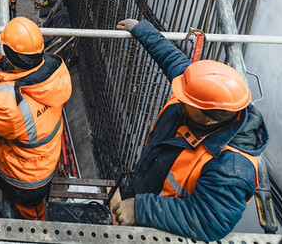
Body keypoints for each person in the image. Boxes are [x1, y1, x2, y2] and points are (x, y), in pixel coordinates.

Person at [110, 18, 269, 241]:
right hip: (144, 186)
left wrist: (140, 209)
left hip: (160, 227)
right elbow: (170, 57)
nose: (180, 100)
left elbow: (208, 221)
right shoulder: (199, 96)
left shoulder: (232, 167)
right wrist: (141, 29)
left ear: (210, 118)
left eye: (187, 102)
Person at [0, 17, 72, 220]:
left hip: (25, 181)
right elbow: (26, 70)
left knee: (30, 219)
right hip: (46, 163)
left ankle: (30, 226)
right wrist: (3, 59)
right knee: (35, 205)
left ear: (11, 54)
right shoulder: (56, 73)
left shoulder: (8, 104)